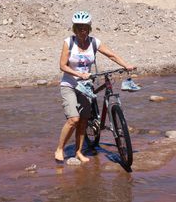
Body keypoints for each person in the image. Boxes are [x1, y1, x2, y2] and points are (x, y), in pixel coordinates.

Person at [55, 11, 135, 163]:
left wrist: (126, 65)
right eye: (78, 27)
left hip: (86, 85)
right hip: (70, 85)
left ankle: (78, 152)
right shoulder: (69, 42)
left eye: (84, 27)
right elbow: (62, 66)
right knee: (74, 119)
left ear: (89, 28)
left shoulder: (94, 43)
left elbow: (111, 55)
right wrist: (77, 74)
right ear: (74, 28)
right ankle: (60, 149)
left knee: (84, 120)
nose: (82, 30)